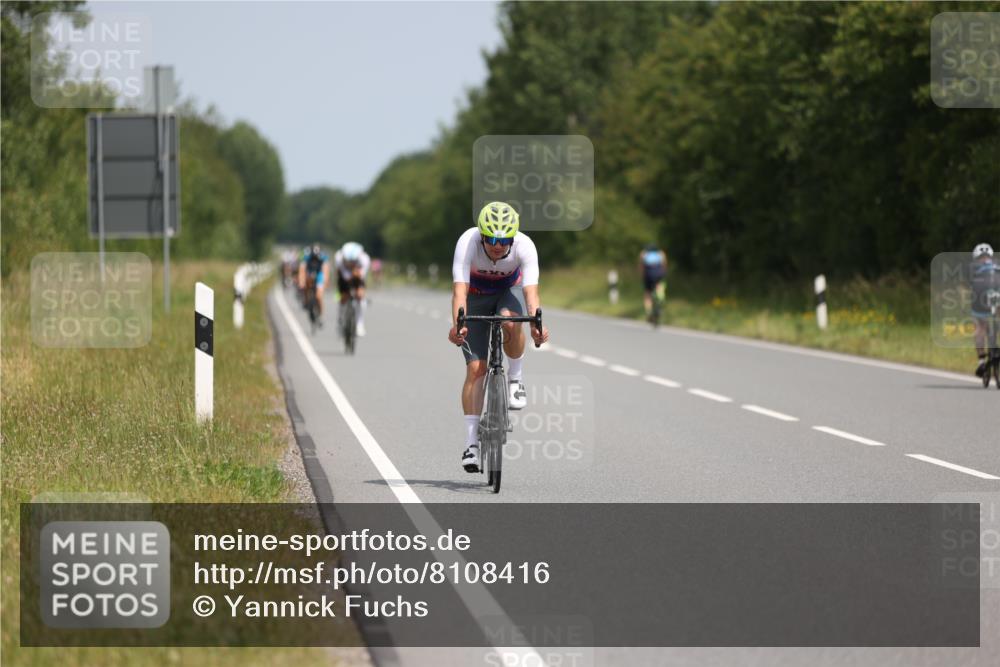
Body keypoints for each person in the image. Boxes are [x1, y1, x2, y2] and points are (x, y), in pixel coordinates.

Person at [448, 201, 550, 473]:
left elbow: (531, 293)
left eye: (504, 239)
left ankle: (515, 378)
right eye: (491, 238)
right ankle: (471, 444)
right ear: (482, 235)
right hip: (475, 296)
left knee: (510, 319)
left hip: (509, 290)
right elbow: (459, 290)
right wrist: (458, 325)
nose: (497, 244)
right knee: (476, 369)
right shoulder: (467, 242)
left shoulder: (524, 245)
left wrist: (536, 325)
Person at [970, 243, 999, 377]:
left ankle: (981, 361)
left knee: (980, 327)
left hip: (981, 292)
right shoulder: (997, 264)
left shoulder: (973, 267)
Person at [334, 241, 370, 336]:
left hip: (358, 277)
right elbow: (343, 274)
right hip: (344, 276)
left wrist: (356, 273)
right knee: (343, 297)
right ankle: (340, 319)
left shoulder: (365, 259)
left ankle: (359, 324)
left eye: (353, 261)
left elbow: (361, 275)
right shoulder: (338, 257)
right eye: (348, 261)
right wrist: (349, 275)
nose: (350, 263)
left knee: (360, 295)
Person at [298, 243, 329, 322]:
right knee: (305, 285)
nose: (315, 259)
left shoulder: (323, 258)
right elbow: (302, 270)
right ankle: (306, 300)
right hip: (310, 273)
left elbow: (325, 271)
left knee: (319, 297)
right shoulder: (306, 258)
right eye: (313, 258)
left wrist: (325, 282)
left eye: (316, 258)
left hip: (319, 274)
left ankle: (321, 315)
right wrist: (302, 281)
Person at [639, 243, 668, 318]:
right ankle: (660, 299)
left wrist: (643, 276)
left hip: (648, 275)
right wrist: (664, 273)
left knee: (647, 293)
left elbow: (642, 267)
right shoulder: (661, 253)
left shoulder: (643, 254)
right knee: (659, 286)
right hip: (659, 274)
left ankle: (648, 312)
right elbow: (664, 265)